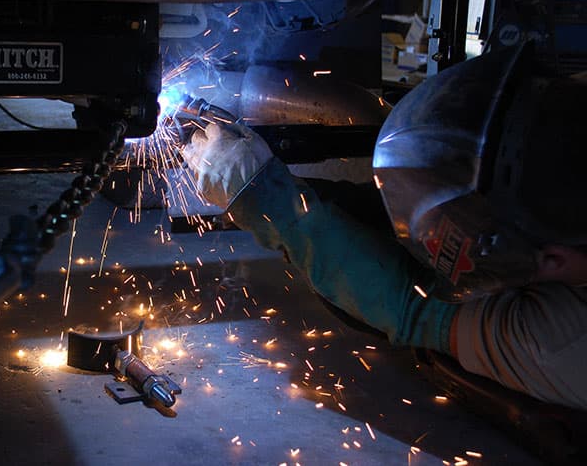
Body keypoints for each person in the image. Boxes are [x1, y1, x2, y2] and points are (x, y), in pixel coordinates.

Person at [179, 39, 587, 413]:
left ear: (552, 259)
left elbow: (412, 308)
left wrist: (262, 197)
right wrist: (292, 186)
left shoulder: (563, 343)